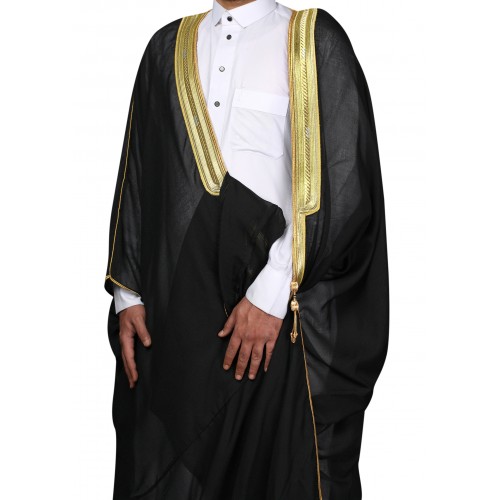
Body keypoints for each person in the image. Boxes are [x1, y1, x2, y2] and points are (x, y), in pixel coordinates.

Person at [104, 1, 390, 499]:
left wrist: (270, 296)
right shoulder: (166, 48)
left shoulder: (311, 40)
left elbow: (344, 185)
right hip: (177, 328)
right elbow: (139, 176)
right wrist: (128, 297)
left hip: (274, 326)